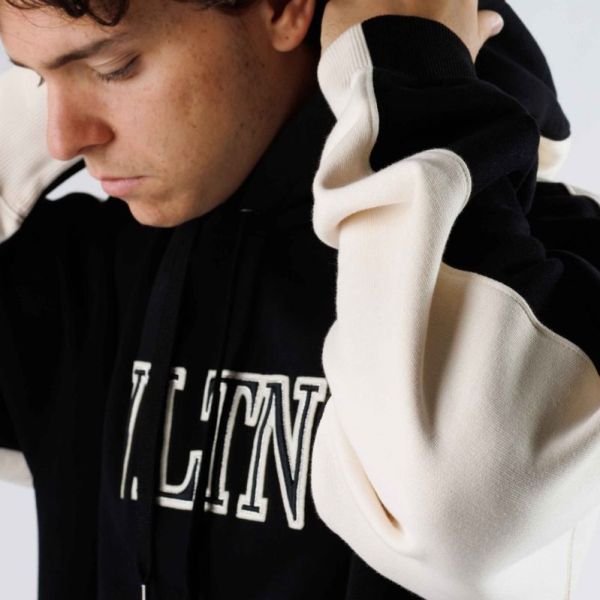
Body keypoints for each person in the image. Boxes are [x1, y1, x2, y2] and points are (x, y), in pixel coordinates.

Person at [0, 0, 599, 598]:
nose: (62, 139)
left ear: (285, 8)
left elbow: (459, 516)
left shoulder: (546, 265)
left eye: (114, 67)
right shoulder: (87, 262)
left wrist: (409, 63)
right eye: (36, 80)